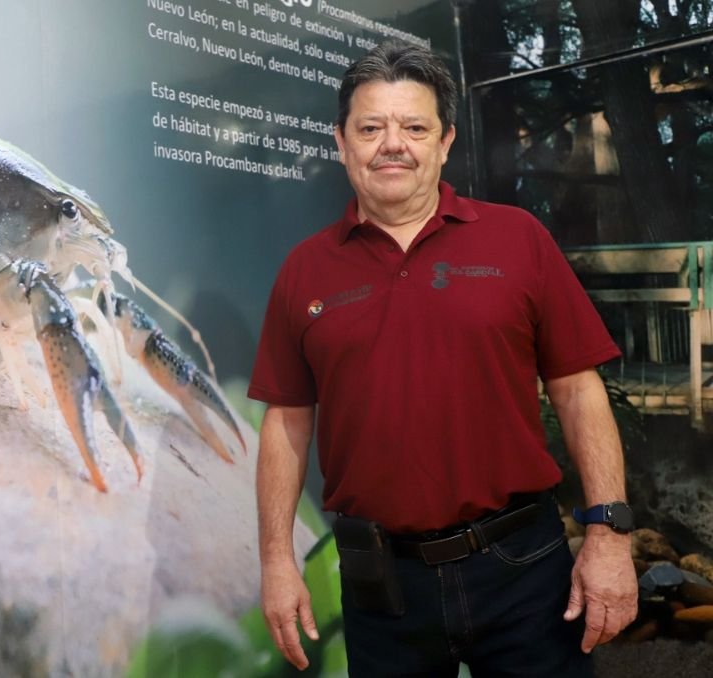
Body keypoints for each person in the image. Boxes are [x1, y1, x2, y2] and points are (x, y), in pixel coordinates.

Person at [249, 42, 637, 676]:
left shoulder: (518, 239)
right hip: (382, 586)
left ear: (445, 141)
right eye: (370, 129)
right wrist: (275, 560)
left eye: (414, 127)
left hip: (522, 569)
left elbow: (576, 388)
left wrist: (609, 535)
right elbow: (286, 421)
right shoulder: (304, 270)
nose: (392, 145)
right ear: (341, 143)